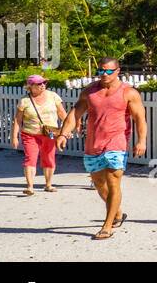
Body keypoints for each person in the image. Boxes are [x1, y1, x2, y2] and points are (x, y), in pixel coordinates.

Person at [57, 58, 147, 240]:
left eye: (108, 71)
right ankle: (117, 212)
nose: (104, 75)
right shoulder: (90, 92)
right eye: (101, 71)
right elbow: (75, 113)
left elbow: (139, 118)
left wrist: (141, 141)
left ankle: (107, 226)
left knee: (113, 181)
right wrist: (63, 133)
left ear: (117, 71)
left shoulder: (129, 93)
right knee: (99, 183)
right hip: (93, 144)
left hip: (117, 143)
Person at [10, 75, 67, 195]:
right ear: (30, 86)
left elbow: (62, 113)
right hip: (30, 134)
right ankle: (30, 186)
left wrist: (67, 130)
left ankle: (48, 184)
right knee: (30, 158)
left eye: (44, 83)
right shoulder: (24, 101)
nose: (43, 85)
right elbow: (18, 120)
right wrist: (14, 137)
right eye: (39, 83)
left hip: (50, 133)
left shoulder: (53, 96)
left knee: (49, 157)